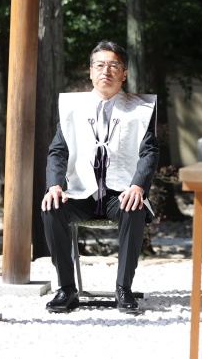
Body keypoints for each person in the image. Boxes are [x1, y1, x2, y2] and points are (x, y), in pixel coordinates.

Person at [41, 40, 159, 314]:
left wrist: (138, 186)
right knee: (51, 207)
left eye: (114, 65)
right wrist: (54, 185)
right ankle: (67, 289)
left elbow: (150, 152)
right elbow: (58, 151)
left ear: (124, 73)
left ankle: (123, 289)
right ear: (91, 71)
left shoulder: (141, 109)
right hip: (82, 193)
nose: (106, 71)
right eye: (100, 65)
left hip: (120, 195)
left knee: (134, 207)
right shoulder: (72, 107)